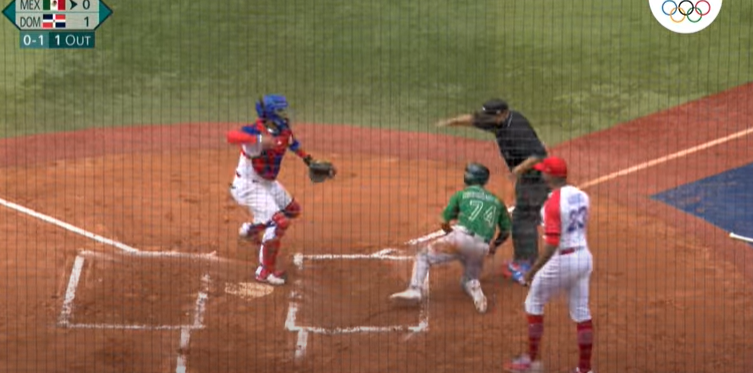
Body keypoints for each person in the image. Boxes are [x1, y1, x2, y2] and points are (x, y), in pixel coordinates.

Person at [226, 94, 335, 285]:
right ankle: (264, 272)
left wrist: (309, 160)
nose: (284, 114)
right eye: (280, 110)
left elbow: (293, 144)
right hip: (248, 186)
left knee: (293, 210)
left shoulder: (283, 129)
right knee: (279, 223)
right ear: (270, 114)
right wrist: (258, 139)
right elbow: (231, 136)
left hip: (267, 182)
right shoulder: (255, 132)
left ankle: (252, 229)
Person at [436, 99, 549, 283]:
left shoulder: (516, 129)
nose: (485, 119)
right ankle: (529, 257)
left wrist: (517, 171)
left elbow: (539, 154)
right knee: (526, 214)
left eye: (488, 116)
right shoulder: (496, 120)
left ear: (501, 114)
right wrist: (451, 122)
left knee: (523, 218)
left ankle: (527, 266)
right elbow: (473, 119)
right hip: (527, 174)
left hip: (535, 175)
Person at [503, 156, 595, 373]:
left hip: (563, 258)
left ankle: (531, 362)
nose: (541, 174)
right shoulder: (582, 196)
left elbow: (552, 243)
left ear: (550, 176)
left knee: (533, 302)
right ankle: (585, 369)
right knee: (582, 312)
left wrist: (532, 272)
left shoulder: (551, 204)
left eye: (543, 171)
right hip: (584, 257)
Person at [389, 163, 511, 314]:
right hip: (482, 248)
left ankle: (414, 289)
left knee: (423, 256)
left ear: (467, 178)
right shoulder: (497, 201)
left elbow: (443, 221)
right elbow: (506, 231)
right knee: (468, 279)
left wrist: (451, 237)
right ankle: (475, 287)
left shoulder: (461, 195)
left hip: (460, 238)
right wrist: (495, 245)